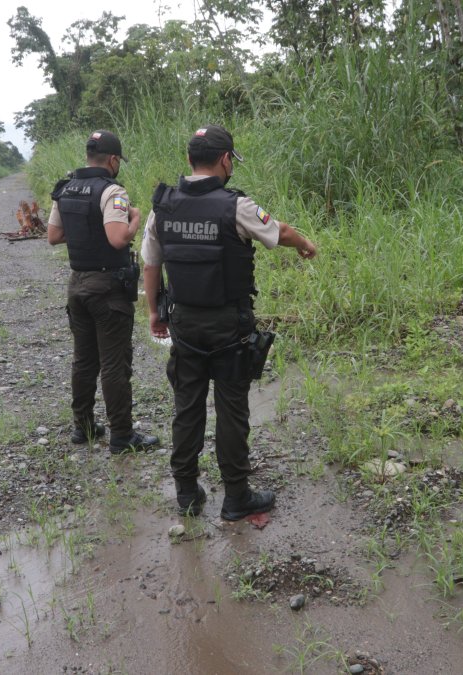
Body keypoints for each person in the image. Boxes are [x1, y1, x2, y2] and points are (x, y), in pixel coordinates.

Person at [141, 125, 317, 520]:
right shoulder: (235, 207)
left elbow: (151, 263)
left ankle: (186, 493)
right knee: (232, 409)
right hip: (228, 326)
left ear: (189, 160)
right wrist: (306, 244)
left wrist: (154, 312)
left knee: (187, 408)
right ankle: (236, 496)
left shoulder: (162, 207)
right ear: (225, 160)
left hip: (183, 324)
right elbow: (280, 232)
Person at [48, 130, 159, 454]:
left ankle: (83, 427)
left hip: (77, 285)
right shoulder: (113, 191)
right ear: (112, 160)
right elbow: (117, 238)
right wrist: (135, 219)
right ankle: (122, 436)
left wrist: (88, 231)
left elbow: (54, 235)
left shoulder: (65, 188)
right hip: (107, 288)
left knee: (84, 359)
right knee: (114, 362)